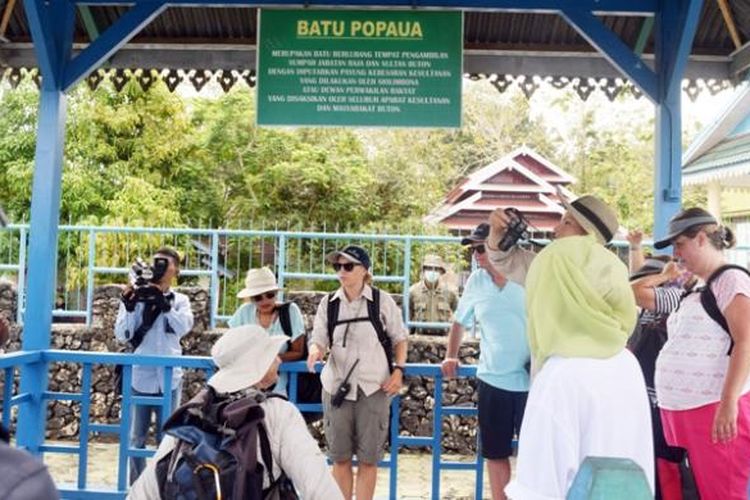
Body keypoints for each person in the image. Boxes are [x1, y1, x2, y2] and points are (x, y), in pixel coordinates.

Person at [505, 193, 653, 499]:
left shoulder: (560, 376)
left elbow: (537, 489)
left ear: (548, 292)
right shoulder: (627, 363)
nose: (555, 231)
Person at [128, 325, 343, 500]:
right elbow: (319, 487)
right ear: (258, 369)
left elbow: (146, 490)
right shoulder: (278, 414)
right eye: (271, 354)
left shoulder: (196, 412)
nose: (278, 359)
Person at [652, 207, 750, 500]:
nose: (676, 252)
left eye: (679, 243)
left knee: (722, 492)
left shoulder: (731, 280)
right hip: (688, 411)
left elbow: (746, 341)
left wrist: (728, 402)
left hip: (714, 409)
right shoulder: (700, 287)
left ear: (701, 239)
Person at [306, 245, 408, 500]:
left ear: (364, 270)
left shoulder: (382, 301)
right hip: (337, 386)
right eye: (338, 266)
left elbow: (400, 338)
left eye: (348, 266)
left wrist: (399, 371)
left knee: (368, 459)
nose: (342, 271)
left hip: (374, 387)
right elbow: (318, 338)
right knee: (339, 458)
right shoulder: (328, 304)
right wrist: (315, 351)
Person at [441, 223, 529, 500]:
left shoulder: (528, 276)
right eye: (474, 249)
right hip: (493, 379)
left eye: (482, 247)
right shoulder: (476, 282)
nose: (477, 254)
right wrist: (451, 355)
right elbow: (459, 322)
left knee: (533, 455)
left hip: (532, 380)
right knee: (495, 453)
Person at [114, 246, 194, 485]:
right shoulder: (138, 293)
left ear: (175, 270)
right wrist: (130, 307)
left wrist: (164, 305)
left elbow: (183, 328)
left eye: (165, 264)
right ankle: (137, 486)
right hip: (141, 376)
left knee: (168, 437)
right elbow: (122, 334)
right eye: (156, 262)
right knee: (135, 438)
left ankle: (163, 486)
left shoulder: (180, 300)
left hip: (170, 378)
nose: (159, 267)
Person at [228, 267, 306, 397]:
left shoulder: (290, 312)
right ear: (251, 298)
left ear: (276, 293)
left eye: (270, 295)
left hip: (280, 387)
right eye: (258, 297)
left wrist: (271, 359)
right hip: (245, 386)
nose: (265, 301)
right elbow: (231, 346)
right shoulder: (243, 312)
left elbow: (298, 351)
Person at [408, 254, 458, 335]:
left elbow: (458, 313)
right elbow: (408, 317)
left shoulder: (450, 292)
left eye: (436, 269)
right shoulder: (413, 291)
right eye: (429, 268)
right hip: (420, 339)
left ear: (441, 272)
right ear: (423, 270)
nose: (432, 271)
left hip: (443, 339)